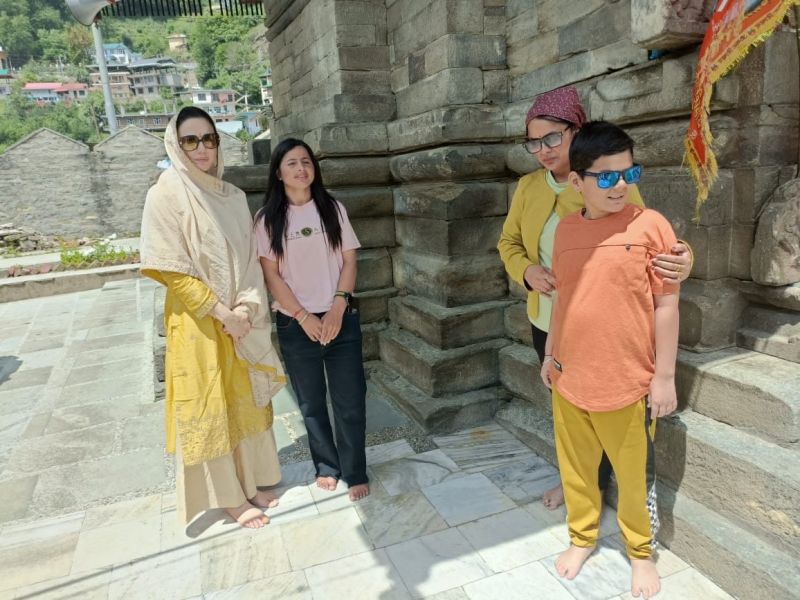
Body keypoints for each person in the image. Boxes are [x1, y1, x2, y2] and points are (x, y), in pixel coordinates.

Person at [497, 86, 692, 510]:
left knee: (604, 408)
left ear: (576, 131)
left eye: (553, 137)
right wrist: (527, 272)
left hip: (605, 327)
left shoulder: (608, 182)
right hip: (549, 319)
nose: (543, 149)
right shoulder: (528, 188)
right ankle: (576, 484)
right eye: (534, 142)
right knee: (567, 409)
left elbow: (648, 237)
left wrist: (683, 259)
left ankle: (602, 491)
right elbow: (508, 243)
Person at [540, 121, 680, 599]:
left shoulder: (651, 225)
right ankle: (582, 537)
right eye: (605, 176)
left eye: (628, 172)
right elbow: (563, 300)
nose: (619, 185)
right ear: (576, 180)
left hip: (627, 381)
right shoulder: (565, 231)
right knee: (576, 469)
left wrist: (663, 376)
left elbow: (667, 304)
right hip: (570, 377)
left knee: (634, 475)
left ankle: (641, 552)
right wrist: (550, 355)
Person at [140, 106, 287, 530]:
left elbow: (248, 262)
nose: (201, 148)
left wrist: (244, 309)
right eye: (190, 140)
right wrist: (221, 312)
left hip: (239, 321)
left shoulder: (232, 196)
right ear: (175, 144)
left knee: (243, 401)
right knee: (212, 408)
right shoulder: (165, 194)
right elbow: (171, 268)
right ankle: (229, 498)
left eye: (209, 139)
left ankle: (252, 483)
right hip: (199, 325)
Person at [256, 138, 370, 502]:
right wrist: (304, 316)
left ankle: (355, 471)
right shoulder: (267, 219)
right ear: (278, 172)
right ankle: (327, 466)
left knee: (351, 400)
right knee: (311, 402)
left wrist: (338, 307)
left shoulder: (331, 208)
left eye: (306, 161)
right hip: (295, 324)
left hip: (341, 318)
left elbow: (349, 261)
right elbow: (272, 275)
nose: (301, 168)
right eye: (292, 163)